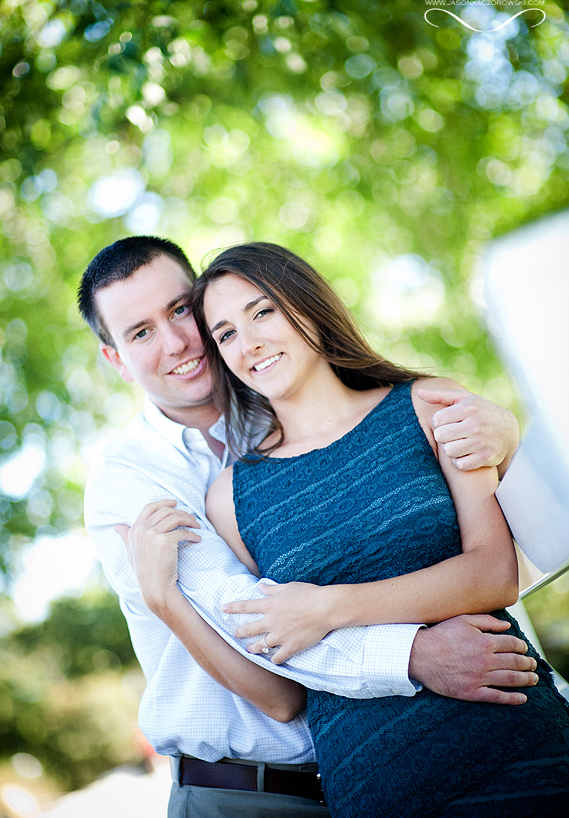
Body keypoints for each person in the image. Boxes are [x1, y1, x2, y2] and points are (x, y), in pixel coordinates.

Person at [78, 236, 534, 818]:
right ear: (116, 358)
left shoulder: (297, 405)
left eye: (180, 311)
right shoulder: (134, 483)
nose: (174, 343)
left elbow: (490, 550)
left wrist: (504, 442)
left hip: (367, 763)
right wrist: (413, 653)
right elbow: (273, 648)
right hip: (243, 790)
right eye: (139, 332)